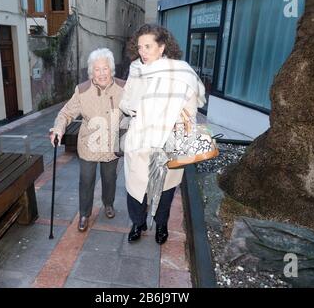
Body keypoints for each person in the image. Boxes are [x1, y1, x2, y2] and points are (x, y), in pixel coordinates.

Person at [119, 24, 206, 244]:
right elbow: (125, 101)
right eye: (139, 47)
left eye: (148, 46)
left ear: (162, 47)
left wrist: (172, 117)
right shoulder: (136, 70)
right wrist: (138, 107)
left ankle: (161, 225)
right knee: (136, 188)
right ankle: (138, 223)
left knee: (165, 189)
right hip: (139, 140)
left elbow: (191, 108)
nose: (142, 51)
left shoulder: (181, 72)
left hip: (169, 142)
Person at [49, 48, 125, 232]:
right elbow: (66, 113)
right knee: (86, 180)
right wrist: (58, 128)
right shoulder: (82, 91)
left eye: (105, 68)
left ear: (111, 69)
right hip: (89, 145)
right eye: (97, 69)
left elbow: (137, 110)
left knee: (109, 178)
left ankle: (108, 204)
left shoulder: (124, 88)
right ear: (91, 71)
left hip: (111, 145)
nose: (101, 73)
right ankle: (84, 214)